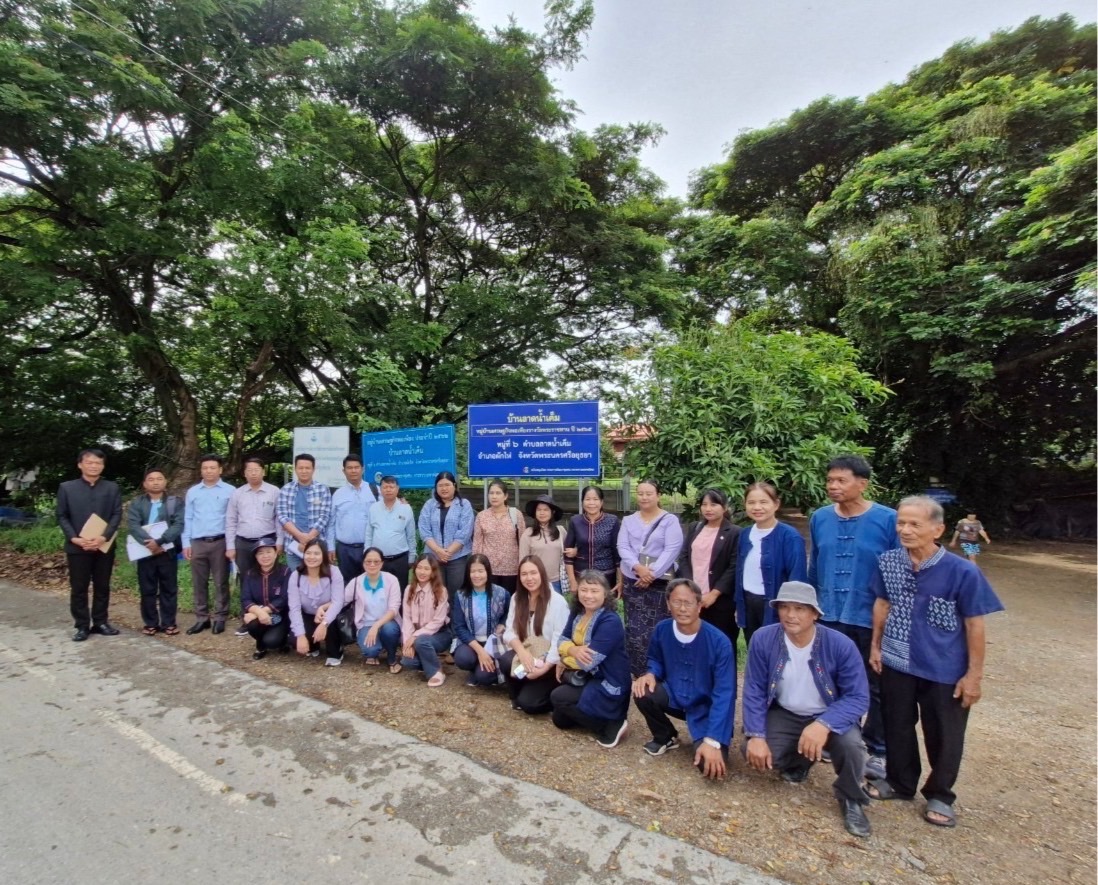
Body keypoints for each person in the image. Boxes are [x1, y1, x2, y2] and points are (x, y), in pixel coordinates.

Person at [866, 496, 1004, 829]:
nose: (905, 530)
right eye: (901, 523)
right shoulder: (888, 561)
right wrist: (875, 646)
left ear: (938, 529)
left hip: (944, 666)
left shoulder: (962, 571)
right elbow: (882, 604)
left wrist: (974, 675)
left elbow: (975, 624)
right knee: (896, 722)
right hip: (897, 658)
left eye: (914, 524)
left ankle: (940, 793)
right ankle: (900, 782)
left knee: (944, 731)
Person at [742, 581, 872, 839]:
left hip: (828, 714)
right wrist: (756, 735)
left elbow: (858, 697)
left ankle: (851, 798)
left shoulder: (840, 645)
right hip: (785, 712)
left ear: (815, 614)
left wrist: (823, 724)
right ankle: (802, 759)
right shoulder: (763, 638)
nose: (791, 615)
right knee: (753, 752)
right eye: (785, 607)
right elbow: (754, 689)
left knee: (851, 748)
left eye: (800, 608)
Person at [808, 455, 900, 781]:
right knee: (829, 680)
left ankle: (877, 749)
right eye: (830, 480)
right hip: (828, 614)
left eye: (840, 481)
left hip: (869, 616)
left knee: (874, 685)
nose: (832, 486)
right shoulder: (819, 518)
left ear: (862, 483)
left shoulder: (888, 520)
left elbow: (897, 574)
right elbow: (814, 567)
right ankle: (837, 735)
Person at [631, 579, 734, 779]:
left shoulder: (720, 642)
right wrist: (650, 673)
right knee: (642, 690)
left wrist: (713, 740)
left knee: (710, 768)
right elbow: (655, 658)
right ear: (668, 604)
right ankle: (665, 735)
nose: (682, 608)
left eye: (688, 603)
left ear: (699, 605)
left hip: (706, 707)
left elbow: (725, 693)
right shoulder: (662, 629)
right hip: (675, 694)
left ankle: (710, 737)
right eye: (676, 602)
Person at [550, 571, 632, 748]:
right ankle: (592, 713)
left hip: (608, 680)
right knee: (560, 720)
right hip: (588, 676)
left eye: (594, 591)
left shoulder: (610, 621)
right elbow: (561, 641)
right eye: (584, 590)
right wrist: (572, 649)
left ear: (605, 593)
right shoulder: (578, 612)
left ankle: (612, 723)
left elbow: (589, 660)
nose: (588, 595)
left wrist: (564, 660)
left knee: (558, 697)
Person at [617, 479, 684, 676]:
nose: (644, 497)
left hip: (659, 584)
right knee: (635, 629)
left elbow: (672, 549)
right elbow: (623, 547)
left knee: (659, 628)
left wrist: (651, 573)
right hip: (633, 581)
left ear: (658, 495)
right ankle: (638, 672)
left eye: (649, 493)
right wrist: (638, 567)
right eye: (640, 493)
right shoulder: (628, 521)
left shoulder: (669, 520)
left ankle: (661, 672)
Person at [56, 448, 123, 641]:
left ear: (103, 466)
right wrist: (74, 538)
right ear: (80, 464)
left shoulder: (111, 488)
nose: (94, 466)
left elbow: (116, 514)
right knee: (79, 587)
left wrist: (104, 537)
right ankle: (82, 626)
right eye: (90, 462)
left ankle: (101, 622)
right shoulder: (67, 487)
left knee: (102, 585)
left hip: (103, 545)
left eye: (98, 463)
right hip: (78, 546)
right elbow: (62, 515)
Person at [735, 482, 808, 647]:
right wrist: (739, 606)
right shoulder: (745, 534)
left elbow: (797, 578)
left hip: (776, 605)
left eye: (763, 502)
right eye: (751, 502)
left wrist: (792, 610)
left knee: (777, 651)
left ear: (776, 504)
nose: (757, 507)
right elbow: (740, 571)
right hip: (749, 604)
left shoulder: (789, 537)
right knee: (754, 649)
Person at [500, 556, 570, 714]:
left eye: (533, 573)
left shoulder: (557, 602)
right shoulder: (517, 598)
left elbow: (560, 640)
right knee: (505, 660)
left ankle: (548, 694)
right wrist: (522, 652)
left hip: (549, 661)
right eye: (524, 574)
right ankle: (520, 694)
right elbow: (509, 631)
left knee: (530, 705)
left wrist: (544, 668)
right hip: (529, 653)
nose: (529, 578)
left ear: (542, 574)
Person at [678, 488, 741, 653]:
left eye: (713, 504)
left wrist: (714, 594)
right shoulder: (695, 527)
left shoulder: (734, 532)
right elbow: (684, 557)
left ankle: (726, 680)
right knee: (697, 646)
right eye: (704, 505)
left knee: (723, 646)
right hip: (694, 598)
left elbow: (734, 566)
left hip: (720, 601)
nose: (708, 509)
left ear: (724, 507)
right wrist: (690, 586)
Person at [225, 457, 283, 635]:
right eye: (249, 470)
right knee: (246, 579)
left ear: (263, 471)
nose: (253, 473)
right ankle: (248, 618)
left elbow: (279, 519)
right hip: (243, 542)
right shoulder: (238, 493)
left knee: (271, 578)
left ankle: (271, 615)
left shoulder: (274, 492)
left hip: (267, 541)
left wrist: (280, 541)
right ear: (244, 473)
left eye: (256, 469)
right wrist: (230, 545)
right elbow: (231, 520)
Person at [127, 468, 185, 636]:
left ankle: (169, 623)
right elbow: (133, 525)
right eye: (151, 479)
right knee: (147, 589)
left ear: (165, 482)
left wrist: (160, 542)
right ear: (145, 484)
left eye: (159, 478)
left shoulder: (175, 502)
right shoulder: (137, 503)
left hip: (167, 551)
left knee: (169, 588)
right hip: (144, 552)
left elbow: (178, 524)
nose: (155, 482)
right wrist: (150, 544)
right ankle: (150, 623)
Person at [182, 453, 235, 635]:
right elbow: (188, 518)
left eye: (213, 468)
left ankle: (220, 618)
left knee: (221, 582)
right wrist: (185, 542)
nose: (209, 471)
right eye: (205, 468)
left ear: (220, 469)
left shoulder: (230, 491)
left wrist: (231, 545)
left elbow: (233, 519)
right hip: (197, 542)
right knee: (199, 582)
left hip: (220, 542)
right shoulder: (193, 492)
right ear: (201, 470)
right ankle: (201, 618)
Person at [331, 546, 403, 672]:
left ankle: (392, 658)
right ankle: (374, 653)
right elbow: (341, 601)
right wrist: (324, 607)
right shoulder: (356, 582)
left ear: (382, 563)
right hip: (366, 624)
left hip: (387, 622)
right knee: (370, 650)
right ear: (363, 563)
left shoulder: (391, 580)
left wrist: (376, 626)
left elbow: (393, 609)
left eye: (376, 561)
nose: (372, 564)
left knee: (389, 630)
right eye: (368, 561)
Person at [451, 554, 510, 686]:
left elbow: (509, 614)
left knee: (484, 677)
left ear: (488, 572)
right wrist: (480, 651)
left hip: (493, 642)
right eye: (473, 571)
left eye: (480, 571)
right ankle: (476, 666)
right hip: (471, 642)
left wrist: (502, 624)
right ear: (468, 573)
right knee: (463, 659)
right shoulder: (461, 595)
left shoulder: (502, 593)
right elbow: (459, 627)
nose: (476, 575)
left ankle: (482, 672)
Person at [286, 538, 345, 666]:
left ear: (323, 556)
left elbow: (338, 601)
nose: (312, 557)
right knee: (294, 639)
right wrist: (301, 635)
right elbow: (294, 608)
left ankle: (336, 650)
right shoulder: (296, 575)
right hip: (307, 614)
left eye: (316, 553)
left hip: (329, 615)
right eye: (308, 553)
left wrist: (324, 624)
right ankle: (314, 646)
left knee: (332, 622)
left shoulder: (334, 572)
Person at [418, 471, 475, 598]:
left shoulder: (463, 505)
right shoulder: (430, 505)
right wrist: (438, 551)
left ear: (454, 486)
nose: (444, 488)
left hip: (457, 557)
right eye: (440, 485)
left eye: (447, 485)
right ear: (436, 488)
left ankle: (455, 618)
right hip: (434, 556)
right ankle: (438, 618)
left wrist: (447, 552)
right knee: (436, 593)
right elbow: (424, 530)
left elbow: (465, 532)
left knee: (457, 594)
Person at [399, 555, 452, 686]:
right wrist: (407, 642)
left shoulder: (441, 591)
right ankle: (432, 662)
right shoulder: (408, 590)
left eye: (427, 569)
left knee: (421, 641)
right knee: (407, 661)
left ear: (433, 571)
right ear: (414, 569)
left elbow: (438, 621)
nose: (422, 572)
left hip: (439, 634)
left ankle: (437, 672)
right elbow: (407, 618)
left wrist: (415, 637)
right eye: (419, 568)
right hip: (417, 637)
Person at [277, 453, 333, 571]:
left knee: (317, 580)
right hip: (293, 545)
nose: (304, 471)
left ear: (313, 469)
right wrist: (300, 536)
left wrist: (308, 539)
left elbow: (324, 516)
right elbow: (282, 515)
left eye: (307, 468)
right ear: (295, 469)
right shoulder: (286, 489)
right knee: (296, 580)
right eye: (300, 468)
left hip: (316, 545)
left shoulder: (323, 489)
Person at [326, 454, 376, 583]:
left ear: (363, 469)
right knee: (347, 585)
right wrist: (330, 547)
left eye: (356, 467)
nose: (353, 470)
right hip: (344, 550)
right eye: (349, 468)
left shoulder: (375, 491)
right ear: (344, 471)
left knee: (370, 584)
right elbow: (331, 523)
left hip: (369, 547)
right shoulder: (338, 494)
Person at [240, 537, 292, 660]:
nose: (265, 556)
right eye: (260, 553)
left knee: (272, 642)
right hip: (259, 616)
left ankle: (282, 641)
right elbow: (246, 599)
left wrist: (263, 612)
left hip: (281, 616)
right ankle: (260, 645)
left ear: (275, 554)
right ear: (256, 557)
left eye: (268, 552)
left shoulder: (285, 572)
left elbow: (284, 599)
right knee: (251, 624)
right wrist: (259, 613)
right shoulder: (249, 574)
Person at [563, 485, 621, 596]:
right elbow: (567, 555)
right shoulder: (575, 521)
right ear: (582, 502)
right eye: (588, 499)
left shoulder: (612, 521)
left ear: (602, 502)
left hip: (606, 577)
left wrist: (620, 580)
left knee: (605, 610)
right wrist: (572, 581)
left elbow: (617, 554)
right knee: (583, 609)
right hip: (582, 576)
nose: (591, 503)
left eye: (595, 499)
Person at [364, 475, 415, 591]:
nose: (388, 490)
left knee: (400, 590)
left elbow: (411, 535)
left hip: (400, 559)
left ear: (397, 489)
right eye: (385, 487)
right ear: (380, 490)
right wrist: (366, 553)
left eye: (391, 487)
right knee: (378, 591)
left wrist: (412, 557)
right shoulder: (374, 508)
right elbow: (369, 534)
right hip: (378, 560)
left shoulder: (406, 508)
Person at [472, 479, 524, 594]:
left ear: (505, 496)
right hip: (489, 568)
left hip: (512, 568)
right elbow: (477, 543)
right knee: (491, 602)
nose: (494, 496)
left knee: (510, 603)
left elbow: (523, 541)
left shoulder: (516, 515)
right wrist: (476, 567)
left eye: (498, 493)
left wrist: (523, 566)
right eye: (491, 493)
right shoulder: (482, 516)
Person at [519, 495, 566, 593]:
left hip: (556, 582)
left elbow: (568, 554)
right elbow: (522, 560)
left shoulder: (561, 531)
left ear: (552, 512)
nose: (542, 513)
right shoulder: (528, 533)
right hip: (535, 581)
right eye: (539, 510)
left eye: (546, 510)